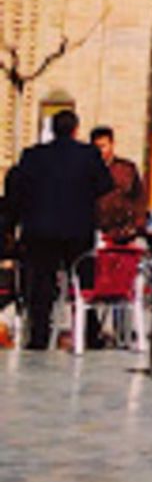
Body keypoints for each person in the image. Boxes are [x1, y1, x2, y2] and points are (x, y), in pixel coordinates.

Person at [3, 108, 112, 349]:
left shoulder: (32, 156)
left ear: (52, 130)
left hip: (40, 230)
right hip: (78, 232)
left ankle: (39, 335)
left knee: (41, 282)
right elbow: (105, 184)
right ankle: (89, 332)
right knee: (82, 282)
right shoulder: (88, 155)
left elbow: (18, 189)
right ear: (75, 130)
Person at [90, 127, 148, 247]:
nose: (100, 151)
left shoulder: (126, 169)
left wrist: (138, 226)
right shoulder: (87, 170)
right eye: (96, 147)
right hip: (95, 232)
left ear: (112, 144)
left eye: (103, 146)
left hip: (123, 233)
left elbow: (139, 198)